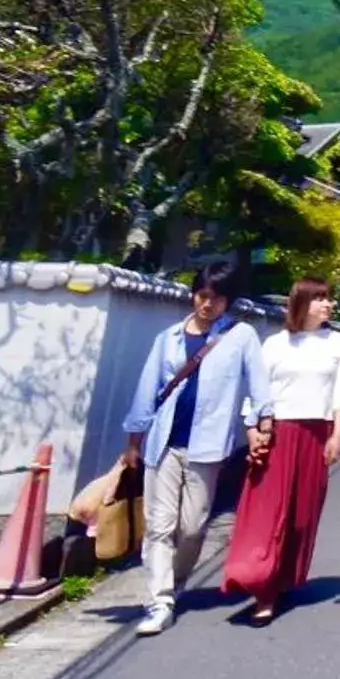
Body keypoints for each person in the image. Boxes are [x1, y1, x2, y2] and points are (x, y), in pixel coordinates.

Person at [122, 261, 273, 637]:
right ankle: (160, 600)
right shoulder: (168, 338)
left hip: (207, 447)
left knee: (192, 527)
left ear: (227, 302)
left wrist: (261, 424)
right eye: (203, 296)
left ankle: (176, 580)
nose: (207, 305)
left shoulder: (241, 337)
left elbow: (259, 386)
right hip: (164, 442)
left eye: (217, 299)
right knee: (160, 526)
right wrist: (134, 442)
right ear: (194, 295)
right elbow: (147, 390)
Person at [223, 279, 340, 621]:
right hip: (277, 432)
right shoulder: (274, 344)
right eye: (320, 299)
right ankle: (261, 586)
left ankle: (281, 578)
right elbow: (255, 392)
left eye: (329, 299)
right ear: (301, 303)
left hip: (316, 433)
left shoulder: (338, 343)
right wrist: (251, 430)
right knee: (267, 511)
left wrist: (337, 435)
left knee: (301, 513)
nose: (328, 305)